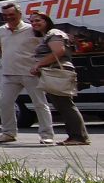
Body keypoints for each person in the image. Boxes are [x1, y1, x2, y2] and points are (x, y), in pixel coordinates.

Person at [0, 2, 57, 144]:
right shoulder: (0, 30)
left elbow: (45, 47)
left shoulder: (31, 29)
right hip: (9, 73)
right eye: (5, 15)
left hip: (31, 72)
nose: (8, 18)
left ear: (19, 14)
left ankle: (46, 135)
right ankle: (8, 133)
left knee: (40, 103)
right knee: (4, 102)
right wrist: (7, 59)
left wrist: (39, 64)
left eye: (11, 15)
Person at [30, 15, 90, 146]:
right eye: (32, 21)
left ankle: (79, 137)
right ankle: (75, 136)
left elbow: (59, 51)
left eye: (38, 20)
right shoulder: (47, 35)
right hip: (53, 72)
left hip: (57, 72)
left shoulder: (54, 33)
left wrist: (38, 64)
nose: (34, 23)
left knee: (65, 105)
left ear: (47, 21)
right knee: (62, 105)